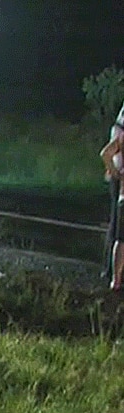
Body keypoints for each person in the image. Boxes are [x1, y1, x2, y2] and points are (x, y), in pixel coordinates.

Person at [100, 104, 124, 291]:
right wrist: (116, 172)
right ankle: (113, 274)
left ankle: (113, 273)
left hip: (118, 176)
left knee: (117, 228)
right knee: (119, 230)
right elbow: (109, 151)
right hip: (120, 180)